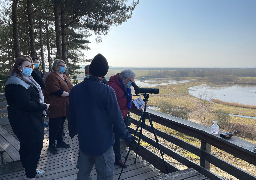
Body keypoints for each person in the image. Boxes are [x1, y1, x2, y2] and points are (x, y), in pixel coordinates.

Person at [68, 54, 134, 180]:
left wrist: (72, 130)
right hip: (103, 142)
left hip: (84, 140)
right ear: (104, 72)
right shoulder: (107, 91)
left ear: (91, 70)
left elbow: (71, 113)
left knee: (83, 174)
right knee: (105, 176)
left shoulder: (75, 90)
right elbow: (117, 118)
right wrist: (127, 136)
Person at [5, 57, 50, 180]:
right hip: (24, 120)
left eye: (31, 66)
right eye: (27, 66)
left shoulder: (26, 79)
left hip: (31, 118)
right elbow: (25, 104)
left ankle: (29, 170)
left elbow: (41, 84)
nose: (30, 68)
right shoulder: (15, 82)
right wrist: (43, 106)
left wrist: (35, 72)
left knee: (27, 145)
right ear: (19, 67)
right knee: (34, 146)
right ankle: (30, 176)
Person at [107, 69, 136, 168]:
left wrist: (136, 105)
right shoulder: (113, 86)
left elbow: (127, 99)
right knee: (112, 139)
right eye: (130, 81)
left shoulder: (123, 86)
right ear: (124, 78)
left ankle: (116, 159)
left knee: (117, 139)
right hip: (113, 118)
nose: (131, 84)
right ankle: (110, 159)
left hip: (122, 117)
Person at [44, 59, 73, 155]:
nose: (63, 67)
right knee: (54, 126)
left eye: (64, 65)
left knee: (61, 125)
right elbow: (57, 91)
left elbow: (71, 87)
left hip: (64, 105)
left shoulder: (64, 76)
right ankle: (51, 144)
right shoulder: (51, 77)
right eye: (61, 65)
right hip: (55, 105)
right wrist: (70, 94)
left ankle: (59, 142)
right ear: (56, 66)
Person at [31, 57, 48, 127]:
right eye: (36, 62)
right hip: (32, 92)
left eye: (38, 62)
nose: (37, 64)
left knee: (41, 107)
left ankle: (42, 121)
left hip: (39, 91)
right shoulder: (31, 72)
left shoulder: (39, 72)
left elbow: (42, 82)